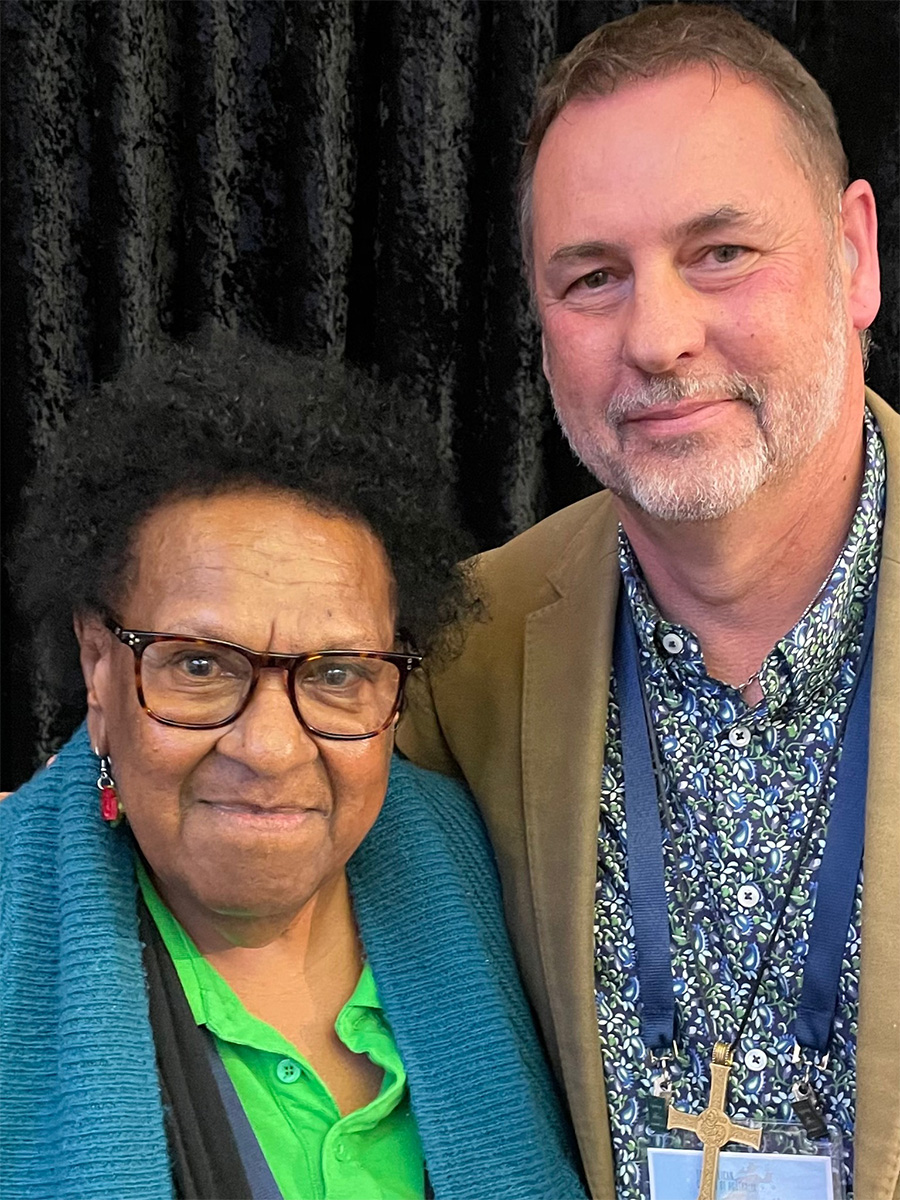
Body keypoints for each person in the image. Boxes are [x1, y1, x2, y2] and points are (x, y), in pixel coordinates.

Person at [397, 5, 899, 1198]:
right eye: (593, 277)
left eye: (721, 251)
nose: (658, 337)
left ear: (856, 253)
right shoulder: (455, 660)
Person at [0, 334, 587, 1200]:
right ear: (98, 666)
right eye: (199, 665)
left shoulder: (485, 865)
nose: (271, 749)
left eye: (339, 673)